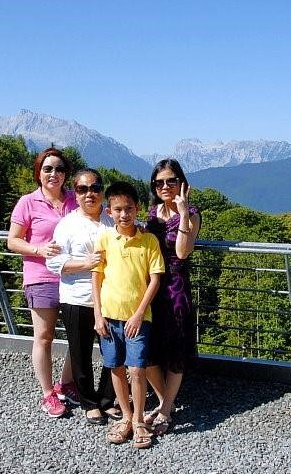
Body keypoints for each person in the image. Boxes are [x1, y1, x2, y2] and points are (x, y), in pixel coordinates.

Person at [91, 181, 165, 449]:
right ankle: (125, 418)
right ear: (109, 211)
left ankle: (138, 420)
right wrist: (98, 314)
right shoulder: (105, 238)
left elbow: (155, 279)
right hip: (109, 316)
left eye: (129, 208)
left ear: (138, 209)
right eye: (118, 209)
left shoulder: (149, 240)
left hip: (138, 318)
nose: (124, 214)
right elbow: (96, 277)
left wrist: (139, 313)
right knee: (116, 367)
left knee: (136, 368)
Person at [7, 147, 78, 417]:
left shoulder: (75, 200)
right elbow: (13, 241)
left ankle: (66, 383)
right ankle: (48, 393)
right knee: (44, 336)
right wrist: (39, 249)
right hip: (41, 277)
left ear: (66, 174)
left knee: (78, 335)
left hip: (74, 277)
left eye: (59, 169)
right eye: (48, 169)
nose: (53, 174)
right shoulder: (28, 202)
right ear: (39, 172)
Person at [46, 168, 120, 425]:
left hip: (110, 298)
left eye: (95, 188)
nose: (90, 194)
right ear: (75, 193)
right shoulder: (67, 225)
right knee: (80, 352)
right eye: (82, 189)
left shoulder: (112, 220)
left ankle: (108, 399)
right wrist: (85, 263)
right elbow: (53, 262)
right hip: (76, 297)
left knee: (113, 351)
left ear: (102, 191)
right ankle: (89, 402)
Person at [144, 159, 201, 435]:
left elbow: (181, 251)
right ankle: (166, 400)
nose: (165, 186)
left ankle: (165, 410)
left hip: (175, 288)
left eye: (171, 181)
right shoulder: (152, 213)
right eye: (159, 182)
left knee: (176, 350)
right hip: (151, 286)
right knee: (148, 349)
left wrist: (183, 212)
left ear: (181, 182)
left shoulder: (192, 213)